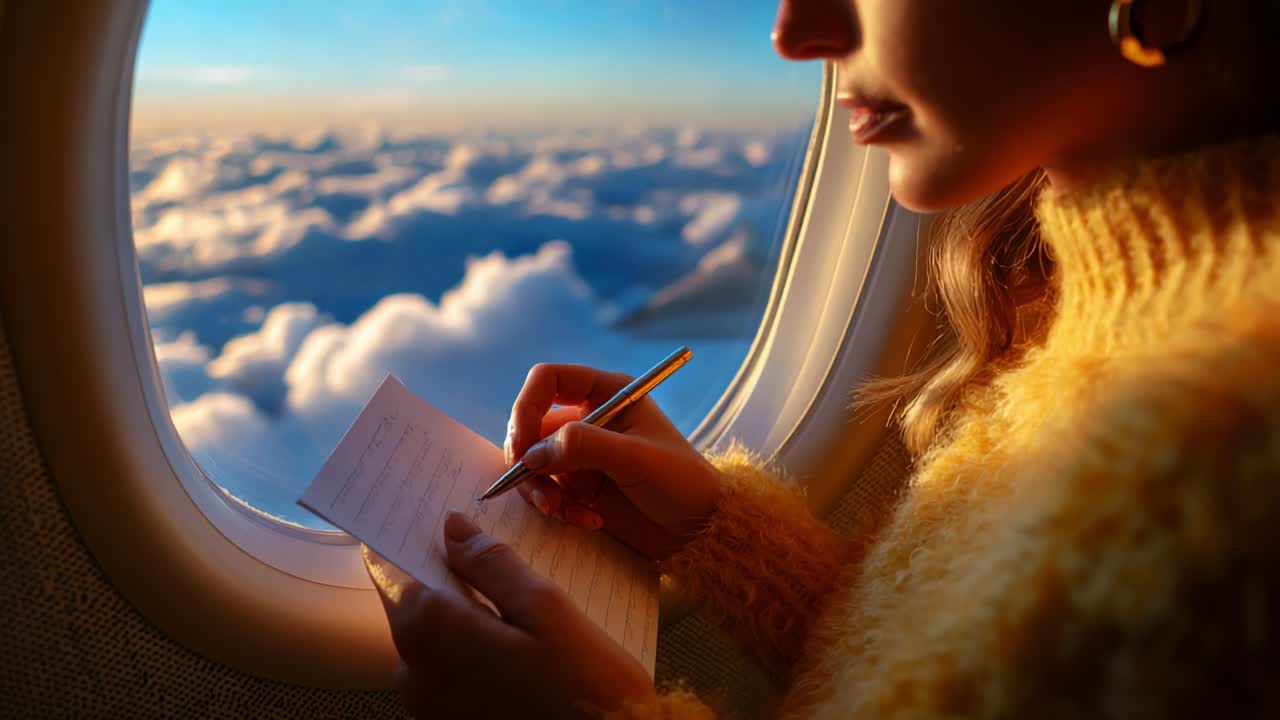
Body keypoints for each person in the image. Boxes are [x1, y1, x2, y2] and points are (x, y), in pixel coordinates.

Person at [364, 0, 1280, 716]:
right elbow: (966, 675)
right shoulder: (1102, 315)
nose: (795, 33)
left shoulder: (1231, 438)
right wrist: (714, 531)